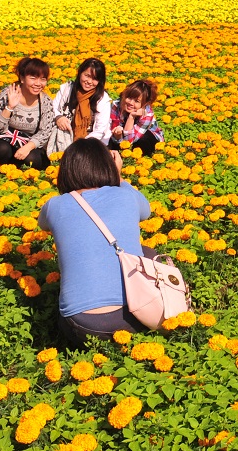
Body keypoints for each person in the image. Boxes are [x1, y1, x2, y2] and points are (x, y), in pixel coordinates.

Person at [38, 138, 152, 345]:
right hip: (139, 314)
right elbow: (147, 212)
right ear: (108, 167)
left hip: (83, 326)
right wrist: (119, 177)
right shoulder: (125, 195)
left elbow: (43, 225)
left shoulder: (54, 205)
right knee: (149, 254)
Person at [0, 56, 55, 166]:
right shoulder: (8, 95)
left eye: (43, 79)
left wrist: (27, 147)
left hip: (27, 142)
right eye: (33, 78)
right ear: (22, 78)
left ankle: (15, 168)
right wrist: (9, 107)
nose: (38, 83)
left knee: (34, 159)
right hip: (1, 139)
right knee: (1, 149)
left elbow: (45, 132)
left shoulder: (46, 102)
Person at [52, 58, 113, 150]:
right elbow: (52, 108)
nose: (89, 81)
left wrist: (80, 146)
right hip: (63, 138)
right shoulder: (67, 89)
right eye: (87, 75)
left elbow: (100, 130)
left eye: (95, 79)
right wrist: (58, 117)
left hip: (91, 144)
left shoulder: (102, 98)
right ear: (80, 73)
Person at [110, 79, 164, 158]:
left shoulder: (147, 114)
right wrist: (116, 137)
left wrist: (132, 117)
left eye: (137, 101)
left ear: (144, 104)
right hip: (123, 137)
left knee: (143, 139)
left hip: (146, 138)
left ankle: (144, 158)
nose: (131, 103)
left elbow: (128, 141)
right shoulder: (116, 105)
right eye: (129, 97)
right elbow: (112, 132)